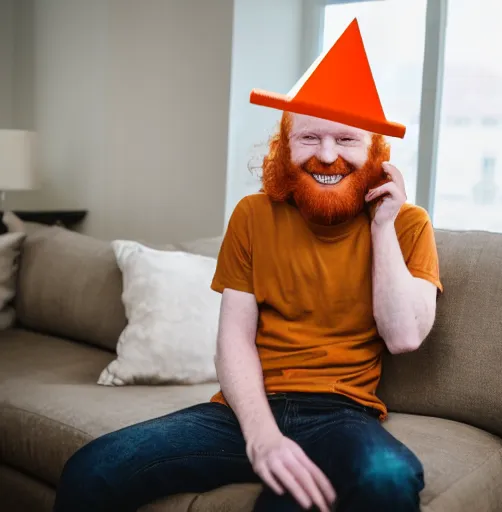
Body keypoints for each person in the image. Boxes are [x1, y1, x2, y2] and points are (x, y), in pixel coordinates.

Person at [53, 19, 442, 512]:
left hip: (341, 414)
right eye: (310, 138)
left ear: (375, 153)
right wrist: (262, 437)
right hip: (242, 411)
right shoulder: (253, 215)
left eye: (346, 140)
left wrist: (382, 226)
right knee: (91, 469)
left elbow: (404, 336)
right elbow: (233, 340)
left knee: (387, 477)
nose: (326, 155)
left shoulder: (407, 224)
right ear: (286, 144)